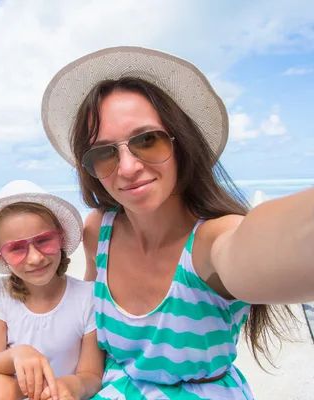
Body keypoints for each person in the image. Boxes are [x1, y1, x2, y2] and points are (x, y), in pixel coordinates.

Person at [40, 46, 314, 399]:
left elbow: (273, 242)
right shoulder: (98, 232)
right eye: (103, 153)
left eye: (147, 140)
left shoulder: (210, 243)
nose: (127, 168)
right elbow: (88, 335)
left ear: (180, 142)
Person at [0, 180, 105, 400]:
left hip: (57, 391)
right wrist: (17, 354)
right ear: (1, 254)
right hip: (9, 388)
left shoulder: (88, 297)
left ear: (61, 238)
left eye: (44, 241)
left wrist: (71, 385)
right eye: (17, 248)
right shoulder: (1, 291)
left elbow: (92, 375)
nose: (35, 258)